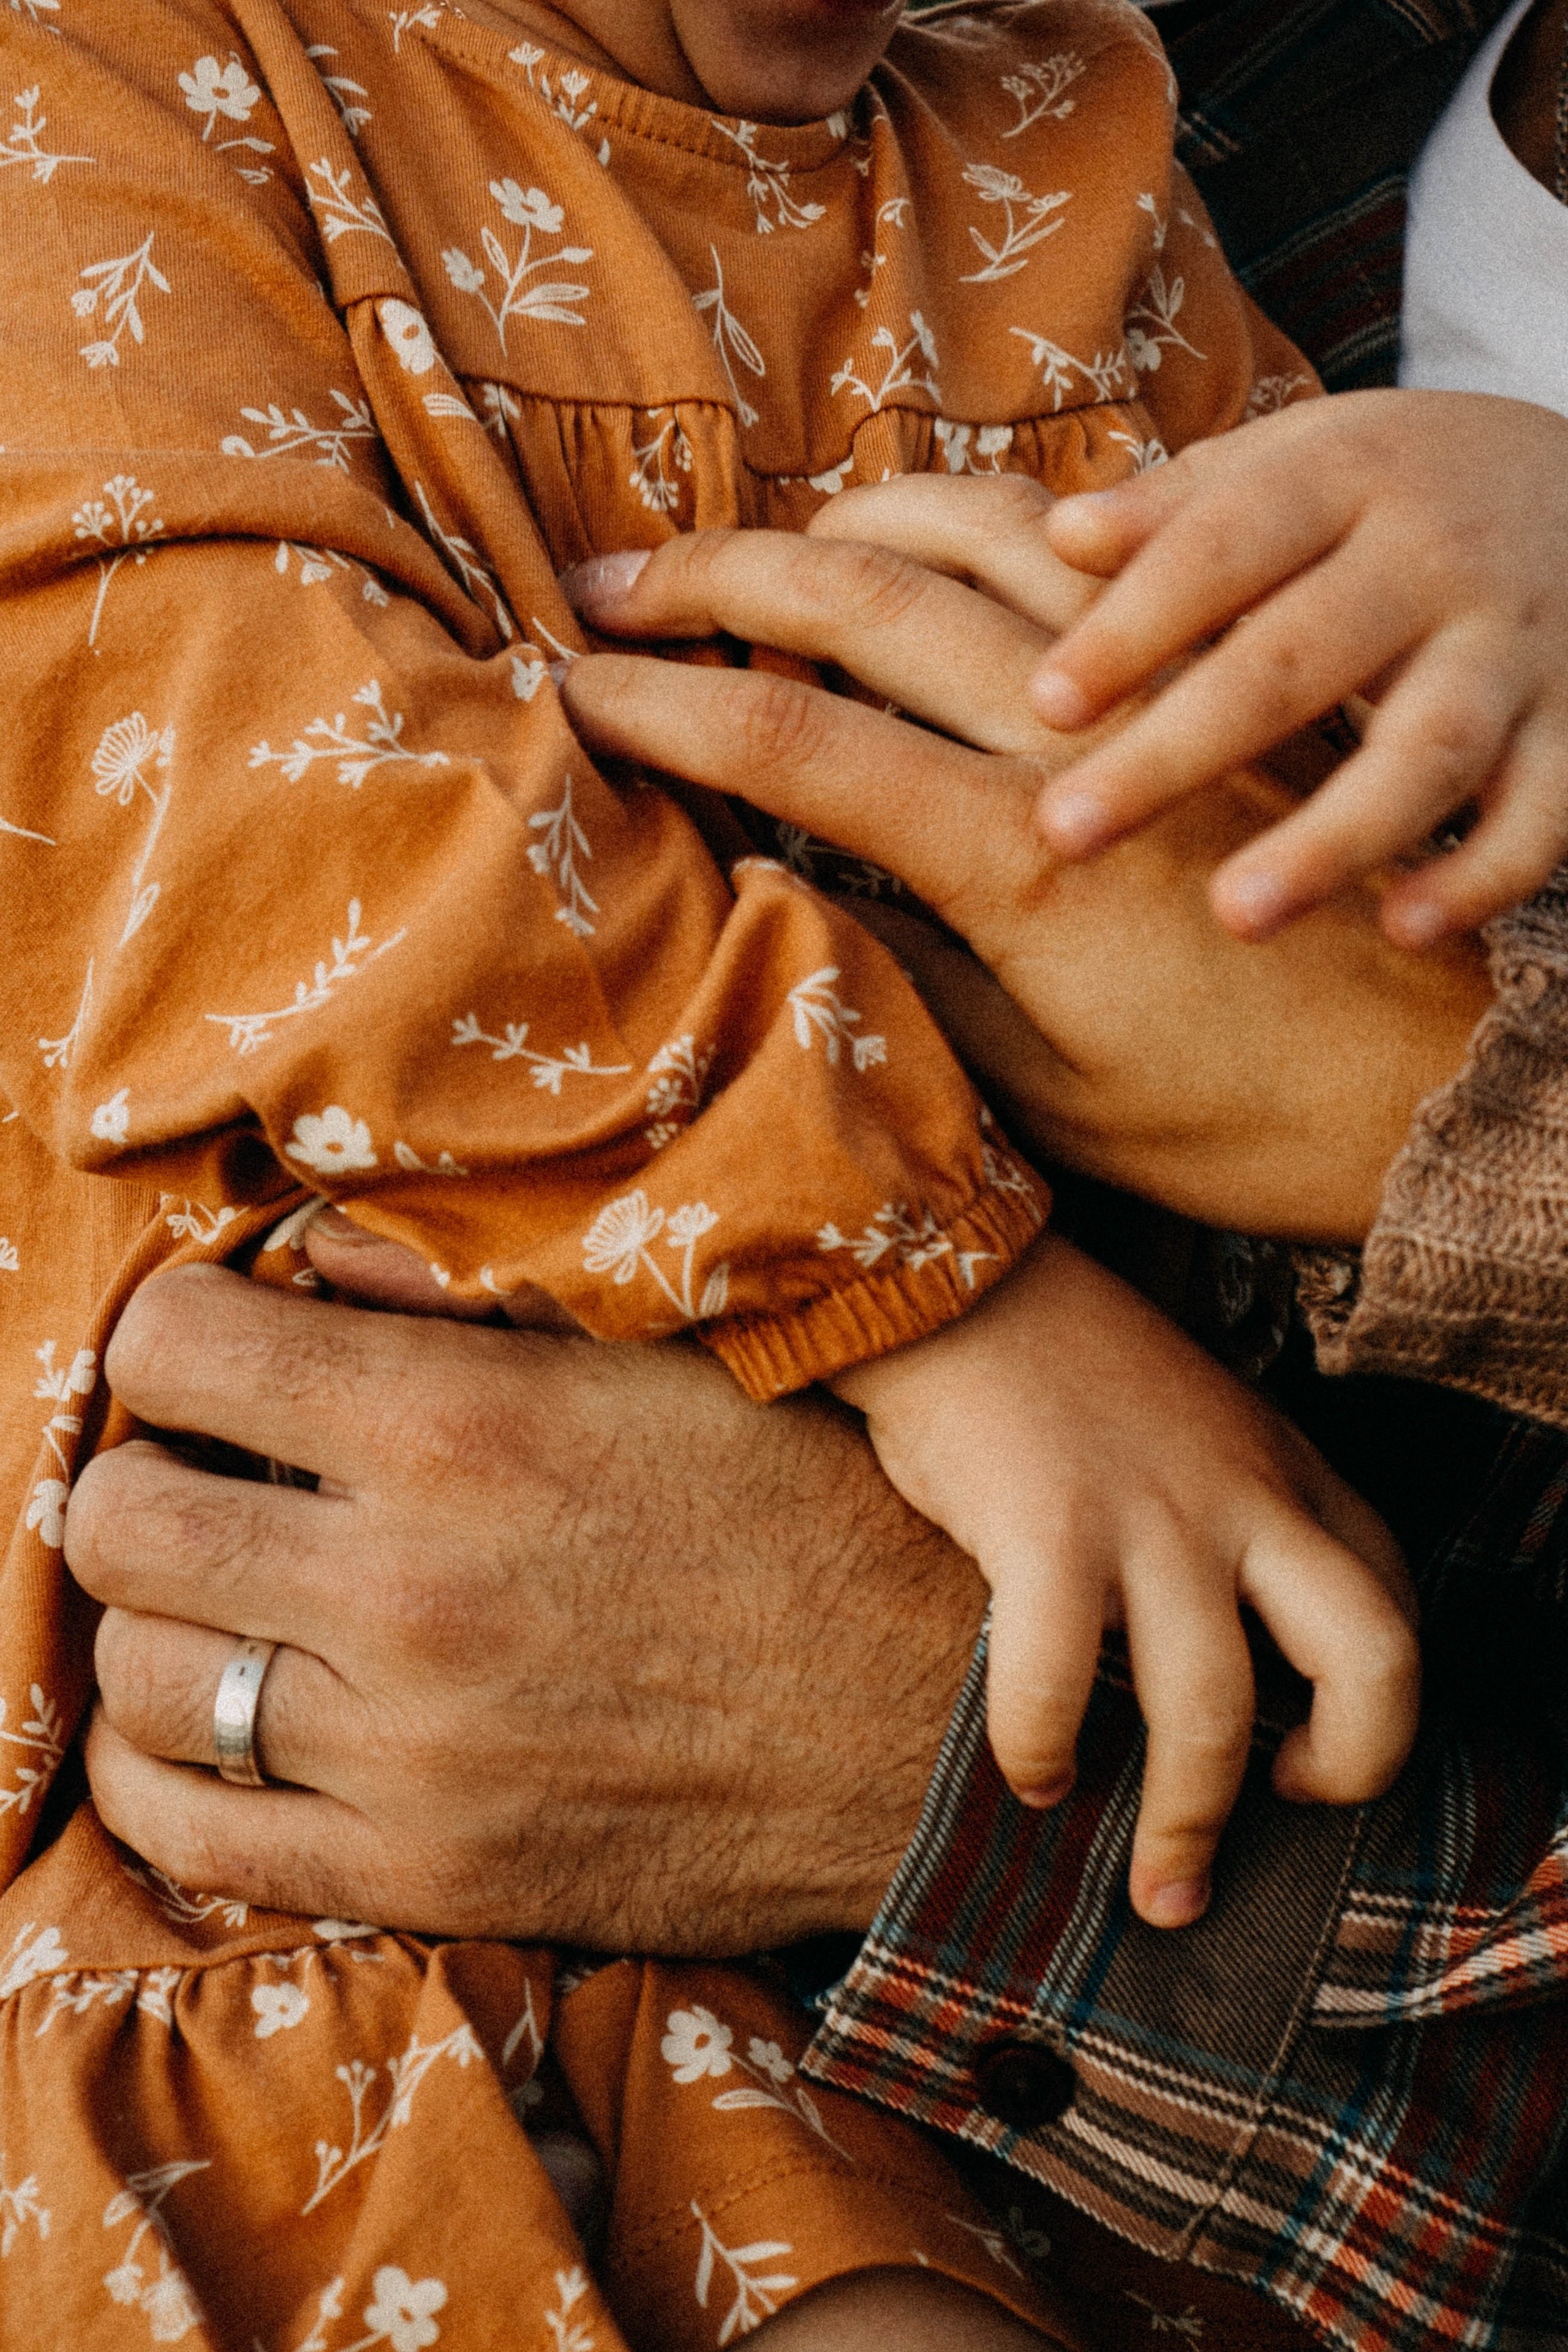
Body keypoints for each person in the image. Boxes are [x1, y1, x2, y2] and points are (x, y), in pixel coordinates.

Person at [0, 0, 1438, 2343]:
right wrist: (944, 1294)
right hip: (285, 1784)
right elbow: (240, 774)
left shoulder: (1067, 126)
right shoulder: (119, 72)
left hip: (904, 1916)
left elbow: (1273, 811)